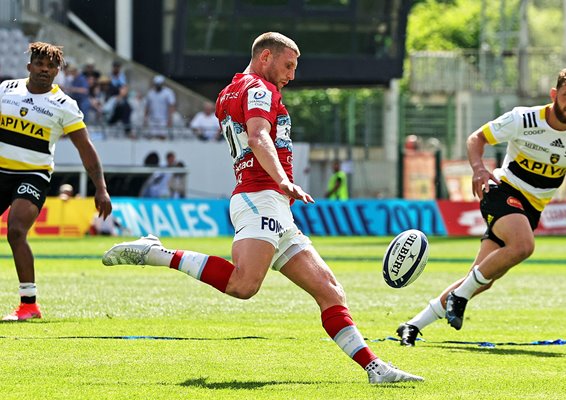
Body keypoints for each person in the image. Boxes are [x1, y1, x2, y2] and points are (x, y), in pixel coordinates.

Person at [102, 32, 423, 384]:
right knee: (244, 284)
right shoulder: (258, 89)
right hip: (260, 196)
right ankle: (157, 253)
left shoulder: (231, 90)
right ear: (266, 56)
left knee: (330, 291)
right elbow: (257, 137)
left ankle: (375, 369)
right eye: (288, 65)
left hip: (272, 203)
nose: (292, 75)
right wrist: (283, 179)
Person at [396, 67, 566, 346]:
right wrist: (479, 169)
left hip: (532, 208)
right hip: (502, 191)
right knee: (522, 246)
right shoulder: (524, 118)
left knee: (483, 277)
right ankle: (458, 298)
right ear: (554, 94)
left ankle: (413, 324)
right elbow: (476, 139)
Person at [0, 42, 112, 321]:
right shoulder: (5, 91)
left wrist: (101, 189)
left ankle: (29, 306)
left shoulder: (64, 105)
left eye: (51, 66)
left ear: (57, 72)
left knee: (15, 231)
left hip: (33, 175)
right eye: (39, 64)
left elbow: (86, 148)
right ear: (29, 66)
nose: (44, 70)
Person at [144, 75, 176, 140]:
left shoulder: (168, 93)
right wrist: (145, 118)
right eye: (157, 84)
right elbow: (147, 107)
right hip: (152, 119)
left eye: (159, 84)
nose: (158, 86)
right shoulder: (150, 93)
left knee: (162, 137)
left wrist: (170, 119)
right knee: (152, 137)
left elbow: (171, 106)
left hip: (164, 119)